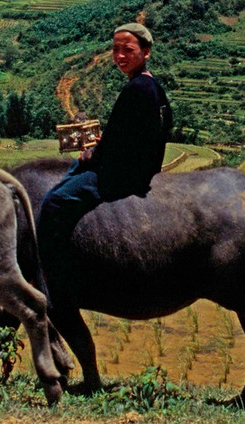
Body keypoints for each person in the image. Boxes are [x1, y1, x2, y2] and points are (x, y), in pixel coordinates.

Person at [36, 22, 172, 305]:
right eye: (116, 50)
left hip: (122, 175)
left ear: (145, 52)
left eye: (128, 50)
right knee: (71, 174)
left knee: (54, 202)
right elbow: (135, 135)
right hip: (139, 167)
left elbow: (116, 146)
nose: (120, 56)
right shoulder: (154, 88)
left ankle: (54, 277)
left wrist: (91, 155)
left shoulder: (136, 90)